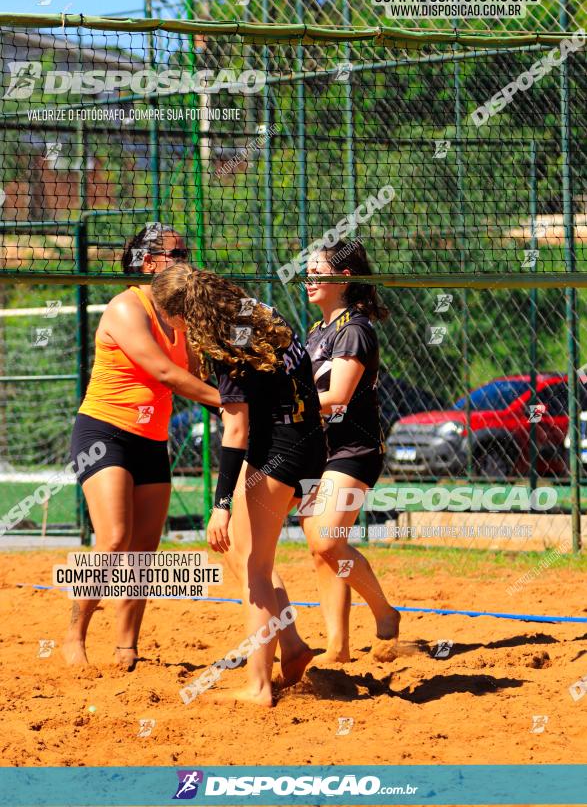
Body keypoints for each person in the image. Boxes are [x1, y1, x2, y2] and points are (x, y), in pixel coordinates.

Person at [152, 263, 327, 706]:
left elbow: (235, 431)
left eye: (166, 317)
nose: (168, 327)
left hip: (276, 451)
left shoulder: (228, 347)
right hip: (309, 442)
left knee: (253, 570)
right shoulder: (261, 314)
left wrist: (221, 504)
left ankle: (259, 686)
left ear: (184, 313)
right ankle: (292, 648)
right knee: (258, 559)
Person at [63, 225, 221, 669]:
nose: (187, 259)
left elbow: (193, 372)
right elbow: (167, 375)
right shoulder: (126, 307)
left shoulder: (179, 315)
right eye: (178, 253)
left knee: (142, 553)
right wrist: (228, 405)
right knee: (114, 540)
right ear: (149, 263)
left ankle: (126, 647)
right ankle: (74, 635)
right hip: (104, 434)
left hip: (151, 439)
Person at [300, 239, 400, 662]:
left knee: (326, 539)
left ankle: (384, 612)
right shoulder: (316, 333)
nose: (308, 276)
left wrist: (282, 405)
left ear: (344, 278)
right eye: (306, 268)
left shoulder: (354, 329)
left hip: (354, 448)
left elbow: (337, 397)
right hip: (320, 450)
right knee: (322, 548)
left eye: (317, 268)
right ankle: (337, 646)